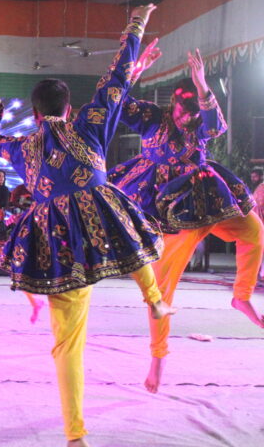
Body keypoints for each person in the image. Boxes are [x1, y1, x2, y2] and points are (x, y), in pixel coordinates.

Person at [0, 4, 174, 446]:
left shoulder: (22, 148)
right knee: (129, 225)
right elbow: (115, 80)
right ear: (69, 108)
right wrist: (136, 25)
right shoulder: (87, 125)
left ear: (34, 114)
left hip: (57, 245)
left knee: (68, 344)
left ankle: (75, 434)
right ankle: (155, 298)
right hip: (100, 223)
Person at [109, 47, 264, 394]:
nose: (187, 119)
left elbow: (217, 126)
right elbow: (117, 103)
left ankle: (241, 296)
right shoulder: (153, 117)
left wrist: (202, 83)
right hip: (169, 211)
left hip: (208, 197)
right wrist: (135, 71)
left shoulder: (200, 122)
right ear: (172, 105)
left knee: (254, 230)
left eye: (194, 114)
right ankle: (158, 358)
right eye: (183, 112)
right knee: (162, 290)